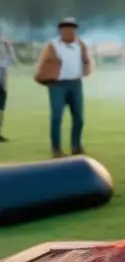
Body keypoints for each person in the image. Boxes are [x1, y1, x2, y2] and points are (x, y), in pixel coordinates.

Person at [33, 17, 92, 158]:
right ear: (61, 30)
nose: (70, 31)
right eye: (66, 28)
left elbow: (86, 60)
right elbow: (43, 64)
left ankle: (76, 146)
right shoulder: (53, 45)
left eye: (72, 28)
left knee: (79, 117)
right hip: (58, 84)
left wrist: (86, 70)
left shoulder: (81, 44)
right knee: (56, 118)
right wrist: (45, 78)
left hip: (75, 83)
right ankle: (56, 149)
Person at [0, 29, 16, 142]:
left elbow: (11, 59)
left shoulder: (4, 41)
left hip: (2, 82)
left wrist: (9, 46)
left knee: (1, 109)